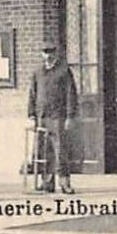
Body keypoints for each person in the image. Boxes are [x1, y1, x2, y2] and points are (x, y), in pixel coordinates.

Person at [28, 44, 79, 195]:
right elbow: (32, 94)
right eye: (45, 52)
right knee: (43, 150)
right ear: (41, 54)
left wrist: (70, 116)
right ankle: (47, 182)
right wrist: (31, 114)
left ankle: (64, 182)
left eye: (50, 52)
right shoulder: (38, 72)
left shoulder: (64, 71)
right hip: (41, 117)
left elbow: (71, 94)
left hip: (58, 117)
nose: (48, 55)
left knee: (60, 150)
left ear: (56, 53)